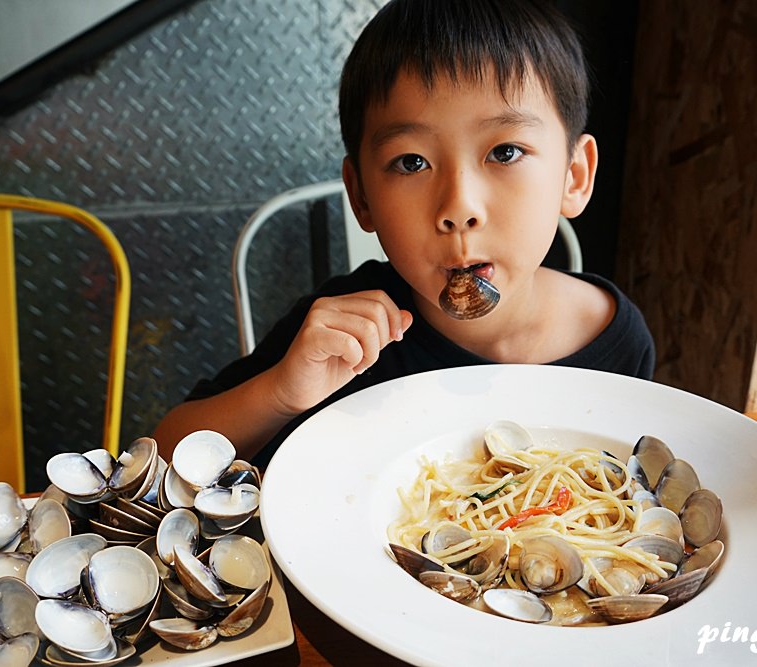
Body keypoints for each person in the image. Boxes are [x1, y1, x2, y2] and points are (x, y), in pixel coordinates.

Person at [153, 0, 655, 468]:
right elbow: (166, 452)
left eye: (505, 152)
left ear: (574, 176)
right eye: (411, 162)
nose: (458, 207)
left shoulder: (615, 339)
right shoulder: (342, 335)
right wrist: (281, 393)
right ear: (362, 196)